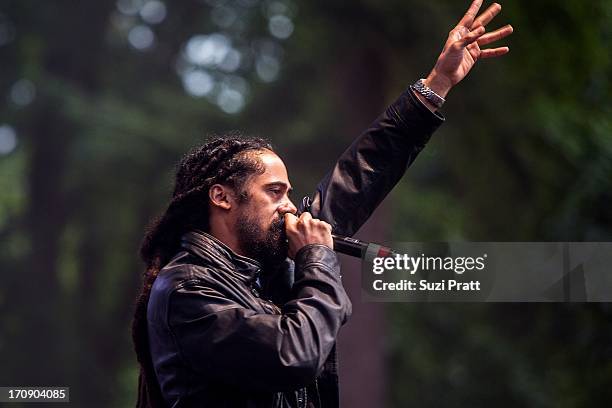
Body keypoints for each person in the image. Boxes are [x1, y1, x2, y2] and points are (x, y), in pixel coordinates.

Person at [131, 1, 513, 407]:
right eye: (274, 192)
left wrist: (436, 84)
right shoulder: (189, 288)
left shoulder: (268, 266)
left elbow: (356, 177)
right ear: (222, 197)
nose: (291, 208)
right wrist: (318, 261)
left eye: (290, 194)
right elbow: (291, 355)